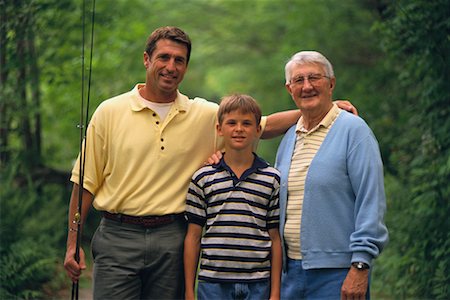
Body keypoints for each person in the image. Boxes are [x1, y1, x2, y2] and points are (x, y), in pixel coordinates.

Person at [63, 26, 307, 300]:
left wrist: (319, 109)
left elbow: (262, 125)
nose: (171, 67)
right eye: (164, 58)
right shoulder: (110, 111)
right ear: (147, 59)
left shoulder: (204, 114)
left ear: (186, 67)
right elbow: (84, 183)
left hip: (173, 236)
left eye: (179, 60)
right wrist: (73, 241)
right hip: (118, 236)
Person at [275, 51, 388, 299]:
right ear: (289, 89)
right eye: (299, 80)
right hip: (289, 274)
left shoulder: (354, 131)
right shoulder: (289, 138)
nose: (307, 86)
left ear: (331, 83)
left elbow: (371, 201)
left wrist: (360, 264)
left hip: (337, 274)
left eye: (314, 77)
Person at [184, 94, 282, 300]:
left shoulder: (272, 179)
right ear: (219, 129)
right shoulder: (203, 177)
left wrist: (274, 293)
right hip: (212, 284)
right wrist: (189, 291)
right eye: (232, 123)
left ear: (258, 130)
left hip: (258, 284)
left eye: (246, 123)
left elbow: (274, 238)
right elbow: (193, 236)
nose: (239, 129)